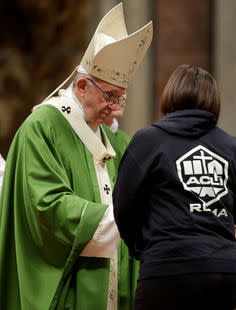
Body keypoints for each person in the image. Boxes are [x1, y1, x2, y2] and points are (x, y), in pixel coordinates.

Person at [0, 3, 152, 309]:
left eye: (121, 96)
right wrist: (116, 220)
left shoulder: (105, 135)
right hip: (67, 283)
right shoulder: (43, 127)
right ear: (82, 86)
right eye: (109, 96)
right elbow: (45, 205)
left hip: (107, 275)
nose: (115, 105)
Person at [112, 64, 236, 310]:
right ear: (214, 102)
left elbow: (123, 205)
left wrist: (144, 246)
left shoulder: (148, 141)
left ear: (170, 96)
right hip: (223, 270)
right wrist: (221, 212)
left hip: (167, 267)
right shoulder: (232, 146)